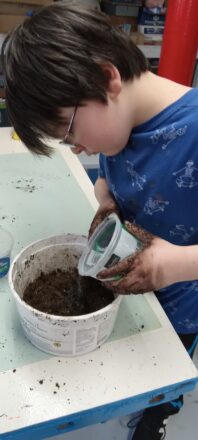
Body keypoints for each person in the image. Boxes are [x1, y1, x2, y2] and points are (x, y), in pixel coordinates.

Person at [2, 3, 198, 439]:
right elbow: (116, 174)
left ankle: (157, 415)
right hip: (130, 284)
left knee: (161, 375)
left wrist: (178, 266)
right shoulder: (120, 124)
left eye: (70, 131)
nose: (76, 148)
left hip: (183, 302)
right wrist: (105, 195)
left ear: (107, 78)